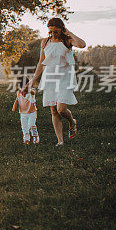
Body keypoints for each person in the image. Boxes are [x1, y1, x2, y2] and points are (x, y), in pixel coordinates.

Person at [23, 18, 86, 146]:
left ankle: (72, 122)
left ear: (61, 29)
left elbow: (82, 44)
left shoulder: (67, 40)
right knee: (53, 110)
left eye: (55, 32)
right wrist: (32, 81)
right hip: (50, 77)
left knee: (61, 109)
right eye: (50, 32)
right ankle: (60, 141)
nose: (52, 34)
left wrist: (68, 31)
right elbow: (41, 62)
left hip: (65, 77)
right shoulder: (45, 42)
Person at [12, 78, 38, 145]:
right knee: (24, 126)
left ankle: (35, 136)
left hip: (32, 112)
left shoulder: (31, 91)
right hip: (23, 113)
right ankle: (26, 139)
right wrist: (14, 107)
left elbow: (33, 92)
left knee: (31, 125)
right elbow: (17, 100)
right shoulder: (19, 93)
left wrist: (28, 89)